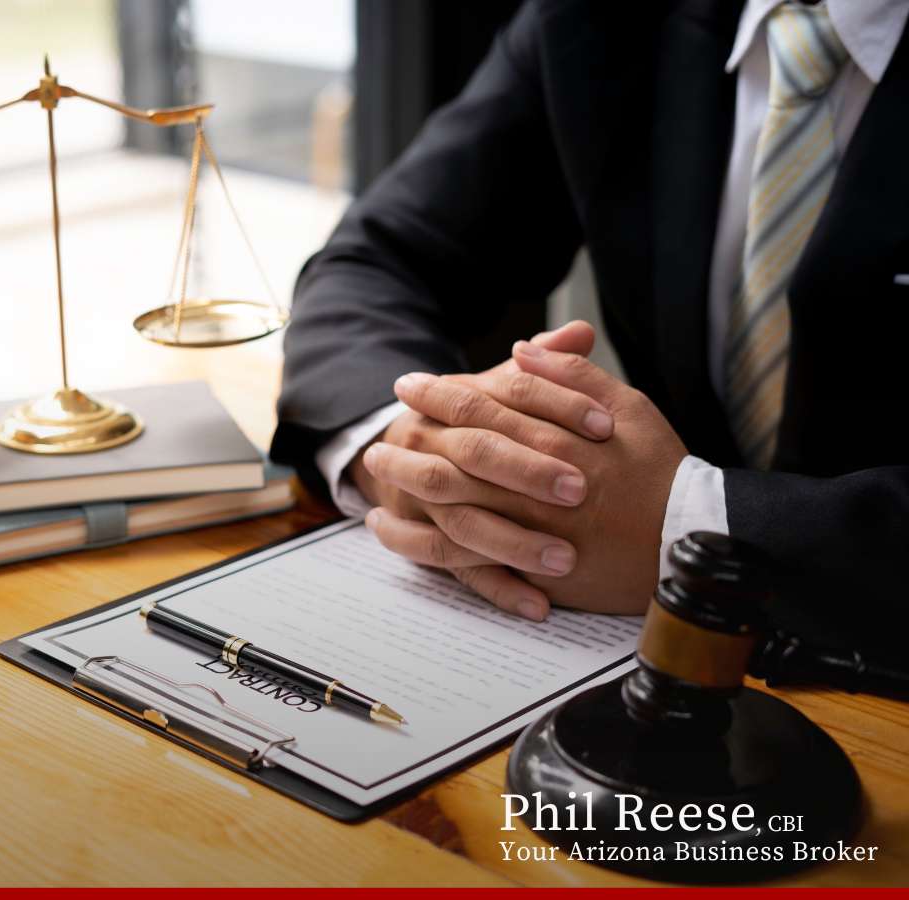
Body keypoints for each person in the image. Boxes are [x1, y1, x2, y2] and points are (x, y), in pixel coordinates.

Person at [271, 0, 909, 645]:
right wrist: (411, 450)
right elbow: (382, 259)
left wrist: (690, 526)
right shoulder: (600, 17)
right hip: (615, 649)